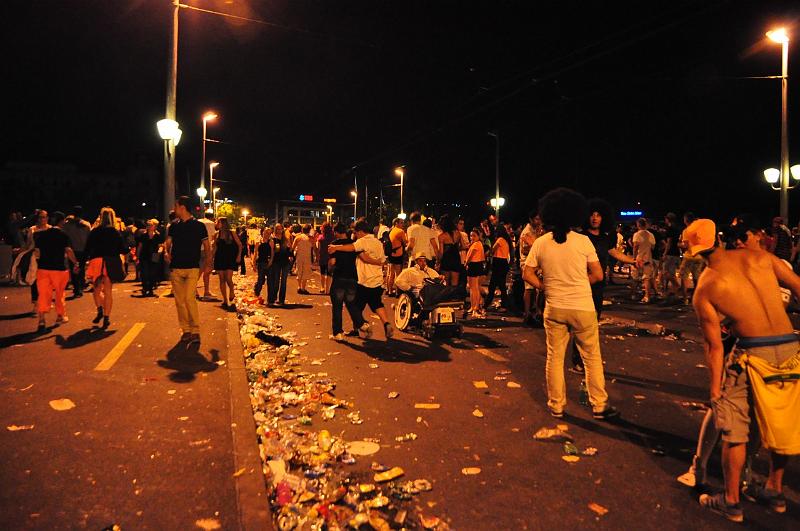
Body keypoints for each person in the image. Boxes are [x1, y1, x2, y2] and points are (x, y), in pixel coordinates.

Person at [689, 219, 800, 522]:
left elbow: (714, 347)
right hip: (790, 348)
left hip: (751, 353)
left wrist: (715, 390)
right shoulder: (762, 258)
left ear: (694, 252)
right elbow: (799, 286)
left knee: (735, 430)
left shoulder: (705, 288)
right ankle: (774, 491)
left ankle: (731, 499)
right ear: (720, 239)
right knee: (783, 422)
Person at [522, 188, 619, 421]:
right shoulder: (584, 241)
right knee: (591, 358)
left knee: (554, 358)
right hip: (583, 307)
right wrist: (578, 283)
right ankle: (599, 405)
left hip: (555, 308)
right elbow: (597, 274)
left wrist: (545, 287)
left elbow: (527, 273)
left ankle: (556, 406)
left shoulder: (541, 242)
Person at [571, 200, 638, 372]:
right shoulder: (580, 237)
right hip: (583, 283)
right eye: (592, 214)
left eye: (598, 215)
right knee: (581, 324)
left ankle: (587, 358)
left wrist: (633, 260)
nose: (594, 218)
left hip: (599, 286)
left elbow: (614, 252)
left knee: (593, 323)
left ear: (603, 218)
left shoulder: (605, 238)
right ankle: (577, 359)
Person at [329, 220, 392, 340]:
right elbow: (381, 259)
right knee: (377, 304)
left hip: (364, 280)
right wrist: (380, 262)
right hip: (377, 279)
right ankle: (386, 323)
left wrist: (335, 247)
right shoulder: (378, 242)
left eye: (356, 232)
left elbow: (356, 251)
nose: (355, 235)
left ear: (360, 231)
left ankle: (360, 327)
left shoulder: (361, 242)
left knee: (354, 306)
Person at [164, 197, 211, 347]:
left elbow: (207, 246)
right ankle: (186, 330)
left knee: (189, 298)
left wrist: (208, 264)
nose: (174, 210)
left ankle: (195, 331)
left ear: (182, 207)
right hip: (176, 267)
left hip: (192, 268)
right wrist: (166, 252)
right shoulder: (174, 227)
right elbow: (168, 243)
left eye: (176, 206)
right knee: (180, 301)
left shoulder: (199, 226)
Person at [33, 211, 78, 332]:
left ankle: (41, 320)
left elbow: (37, 253)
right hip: (59, 269)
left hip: (43, 269)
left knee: (43, 294)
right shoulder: (63, 235)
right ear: (62, 221)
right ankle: (60, 316)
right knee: (59, 293)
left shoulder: (40, 235)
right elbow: (68, 250)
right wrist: (76, 263)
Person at [85, 207, 127, 329]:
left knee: (96, 290)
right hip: (110, 262)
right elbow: (122, 249)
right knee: (108, 291)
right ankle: (107, 317)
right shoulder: (114, 232)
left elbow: (87, 248)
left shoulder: (95, 231)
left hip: (96, 261)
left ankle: (99, 309)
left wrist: (81, 263)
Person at [327, 223, 368, 341]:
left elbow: (333, 262)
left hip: (339, 277)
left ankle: (338, 333)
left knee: (337, 306)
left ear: (336, 232)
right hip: (352, 277)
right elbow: (364, 257)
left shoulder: (334, 244)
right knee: (351, 303)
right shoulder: (353, 245)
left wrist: (329, 268)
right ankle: (362, 323)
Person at [519, 211, 544, 326]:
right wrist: (536, 247)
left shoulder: (536, 231)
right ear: (531, 219)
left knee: (538, 288)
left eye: (539, 219)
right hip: (527, 263)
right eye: (536, 219)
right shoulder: (527, 232)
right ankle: (527, 313)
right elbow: (524, 250)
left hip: (536, 263)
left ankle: (536, 311)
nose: (538, 222)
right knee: (529, 288)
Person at [212, 217, 242, 310]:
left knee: (228, 278)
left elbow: (240, 245)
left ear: (222, 223)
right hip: (219, 258)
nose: (216, 223)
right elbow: (215, 248)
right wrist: (211, 258)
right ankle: (225, 300)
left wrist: (239, 256)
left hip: (230, 258)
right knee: (221, 279)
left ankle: (232, 291)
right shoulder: (217, 234)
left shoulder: (232, 233)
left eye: (218, 222)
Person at [61, 206, 91, 298]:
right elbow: (89, 238)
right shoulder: (86, 224)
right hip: (83, 250)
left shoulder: (67, 225)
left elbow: (64, 237)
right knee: (81, 269)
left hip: (72, 250)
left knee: (73, 269)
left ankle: (77, 288)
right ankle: (80, 287)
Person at [679, 212, 705, 304]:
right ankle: (697, 298)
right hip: (699, 256)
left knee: (684, 277)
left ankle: (685, 298)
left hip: (689, 256)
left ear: (686, 220)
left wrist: (679, 245)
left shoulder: (686, 231)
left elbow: (685, 245)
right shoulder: (700, 230)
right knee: (696, 278)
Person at [484, 223, 511, 310]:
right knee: (501, 285)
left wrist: (488, 252)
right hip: (503, 263)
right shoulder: (506, 240)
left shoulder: (500, 240)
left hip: (499, 263)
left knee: (493, 285)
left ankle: (486, 304)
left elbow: (492, 250)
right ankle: (504, 305)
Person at [136, 219, 164, 297]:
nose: (150, 227)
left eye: (151, 225)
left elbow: (160, 246)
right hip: (144, 255)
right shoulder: (143, 235)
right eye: (148, 225)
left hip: (154, 255)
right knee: (145, 273)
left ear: (154, 227)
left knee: (153, 272)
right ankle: (145, 288)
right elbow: (140, 246)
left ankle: (151, 289)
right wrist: (137, 256)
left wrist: (159, 251)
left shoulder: (157, 235)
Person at [632, 217, 657, 303]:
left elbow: (635, 247)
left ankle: (634, 294)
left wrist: (634, 258)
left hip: (639, 258)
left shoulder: (637, 234)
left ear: (638, 225)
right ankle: (647, 296)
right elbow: (653, 247)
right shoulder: (651, 235)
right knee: (646, 278)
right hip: (648, 258)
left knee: (635, 277)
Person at [268, 223, 292, 306]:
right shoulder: (272, 239)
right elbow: (271, 251)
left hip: (285, 262)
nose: (279, 230)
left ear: (282, 229)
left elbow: (289, 250)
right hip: (276, 262)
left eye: (280, 229)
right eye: (277, 229)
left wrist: (290, 255)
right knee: (276, 281)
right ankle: (274, 298)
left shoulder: (285, 239)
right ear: (275, 229)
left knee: (284, 281)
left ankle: (282, 299)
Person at [465, 228, 486, 318]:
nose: (471, 237)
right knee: (472, 287)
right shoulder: (477, 244)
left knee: (474, 288)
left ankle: (475, 307)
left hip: (474, 265)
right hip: (476, 265)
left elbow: (470, 255)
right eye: (471, 235)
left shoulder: (477, 244)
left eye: (474, 235)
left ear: (478, 236)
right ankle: (473, 306)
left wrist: (466, 262)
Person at [661, 212, 682, 300]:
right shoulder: (678, 229)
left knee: (665, 272)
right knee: (672, 272)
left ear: (668, 219)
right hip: (676, 252)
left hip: (670, 253)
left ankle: (675, 286)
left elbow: (669, 243)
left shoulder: (669, 229)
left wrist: (664, 253)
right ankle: (673, 292)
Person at [436, 214, 462, 287]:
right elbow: (462, 246)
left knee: (446, 283)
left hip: (446, 260)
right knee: (455, 284)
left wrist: (438, 262)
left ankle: (447, 298)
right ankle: (454, 297)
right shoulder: (458, 233)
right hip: (456, 258)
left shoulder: (441, 237)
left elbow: (441, 253)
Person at [198, 212, 217, 301]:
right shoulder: (211, 224)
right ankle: (206, 291)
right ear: (212, 217)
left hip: (198, 249)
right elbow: (213, 237)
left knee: (199, 270)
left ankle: (196, 290)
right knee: (207, 270)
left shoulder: (198, 222)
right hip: (207, 249)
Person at [386, 218, 408, 296]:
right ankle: (397, 292)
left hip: (391, 254)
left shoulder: (390, 230)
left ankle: (389, 291)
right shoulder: (400, 231)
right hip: (398, 254)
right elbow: (405, 243)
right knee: (398, 274)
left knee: (391, 274)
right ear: (396, 223)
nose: (403, 224)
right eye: (401, 223)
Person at [253, 227, 274, 301]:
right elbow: (255, 253)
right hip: (261, 263)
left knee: (270, 281)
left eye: (269, 233)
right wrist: (254, 264)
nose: (267, 234)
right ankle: (257, 291)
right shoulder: (258, 242)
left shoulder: (271, 242)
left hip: (268, 262)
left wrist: (271, 261)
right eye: (265, 233)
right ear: (262, 233)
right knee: (260, 280)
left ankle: (270, 299)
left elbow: (272, 253)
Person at [292, 224, 313, 294]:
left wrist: (291, 255)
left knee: (299, 270)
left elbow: (293, 247)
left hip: (299, 256)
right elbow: (314, 248)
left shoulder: (298, 237)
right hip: (307, 257)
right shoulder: (311, 238)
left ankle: (299, 286)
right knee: (305, 272)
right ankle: (303, 288)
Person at [317, 222, 335, 294]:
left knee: (322, 272)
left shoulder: (321, 237)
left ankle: (322, 287)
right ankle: (328, 289)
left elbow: (319, 248)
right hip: (330, 257)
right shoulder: (333, 237)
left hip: (323, 256)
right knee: (329, 273)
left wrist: (317, 256)